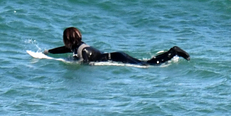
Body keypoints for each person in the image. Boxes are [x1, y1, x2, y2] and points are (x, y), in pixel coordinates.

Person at [47, 27, 189, 65]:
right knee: (145, 62)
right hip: (116, 54)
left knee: (147, 64)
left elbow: (86, 62)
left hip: (117, 57)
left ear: (68, 40)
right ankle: (172, 52)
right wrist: (47, 52)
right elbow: (63, 49)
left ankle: (173, 52)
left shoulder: (84, 51)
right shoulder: (75, 46)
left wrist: (75, 63)